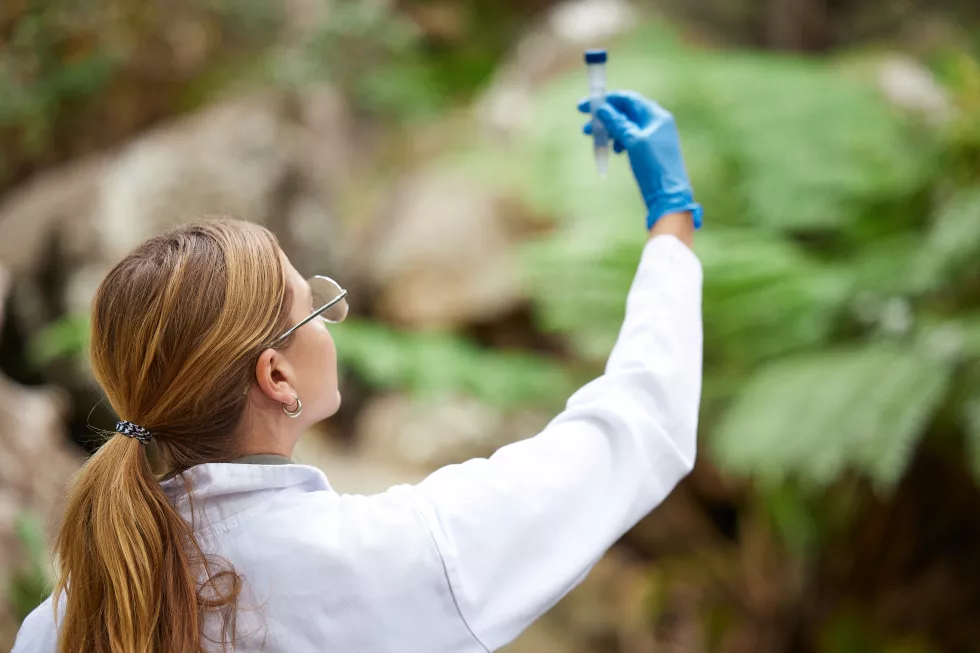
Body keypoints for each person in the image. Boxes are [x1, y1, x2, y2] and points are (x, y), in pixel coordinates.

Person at [12, 90, 703, 653]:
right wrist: (671, 222)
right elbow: (632, 431)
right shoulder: (388, 559)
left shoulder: (63, 618)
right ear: (276, 376)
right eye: (312, 306)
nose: (331, 320)